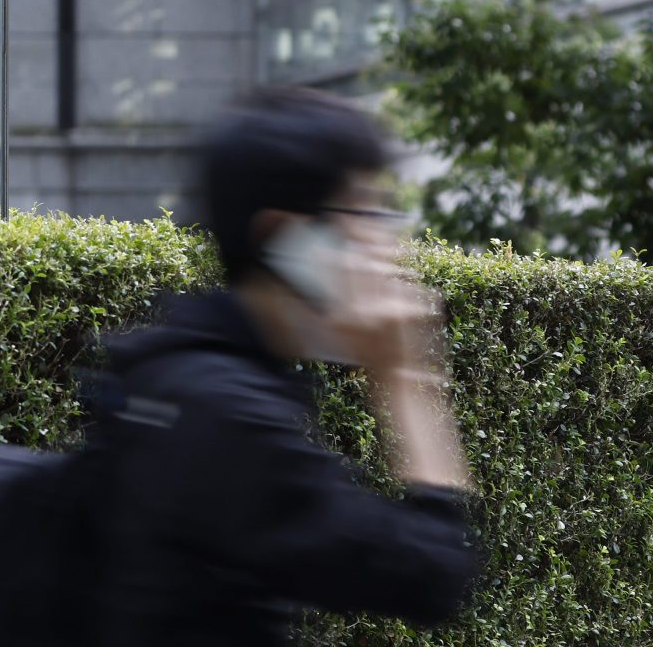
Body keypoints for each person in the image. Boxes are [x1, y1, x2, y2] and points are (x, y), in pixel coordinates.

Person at [98, 87, 479, 646]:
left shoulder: (183, 371)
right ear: (282, 235)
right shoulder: (229, 415)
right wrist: (404, 381)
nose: (390, 246)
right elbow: (429, 572)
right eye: (364, 213)